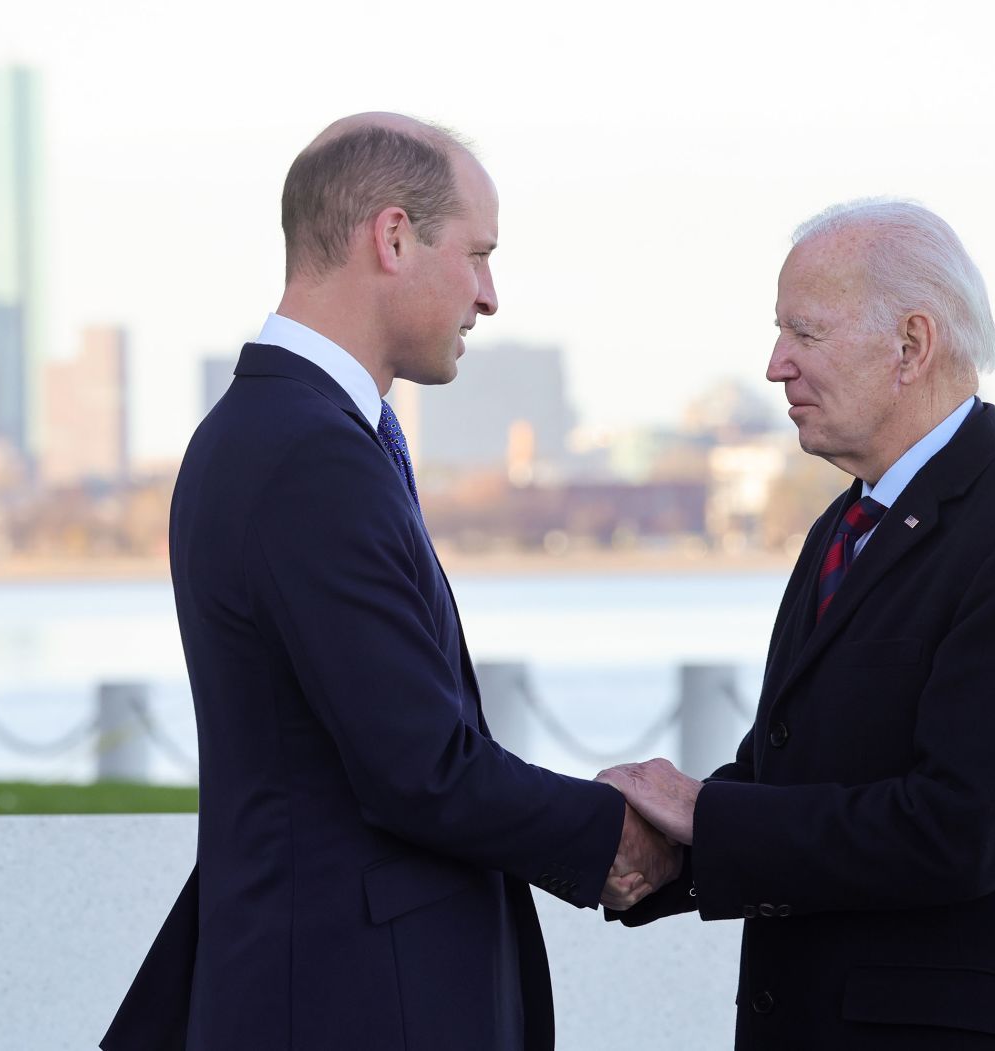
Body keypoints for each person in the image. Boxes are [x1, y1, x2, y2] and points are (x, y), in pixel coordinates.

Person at [100, 113, 678, 1051]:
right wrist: (618, 836)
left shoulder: (283, 431)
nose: (489, 297)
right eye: (478, 255)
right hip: (347, 1003)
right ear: (395, 236)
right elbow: (419, 767)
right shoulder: (307, 453)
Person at [600, 199, 995, 1049]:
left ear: (911, 345)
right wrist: (664, 852)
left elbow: (958, 833)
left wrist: (706, 817)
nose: (776, 365)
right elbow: (799, 774)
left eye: (804, 333)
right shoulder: (850, 524)